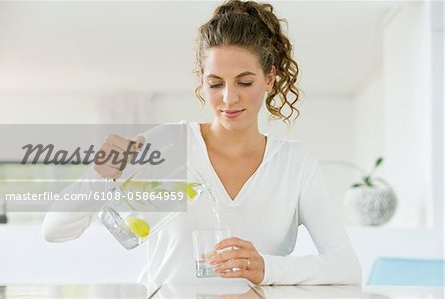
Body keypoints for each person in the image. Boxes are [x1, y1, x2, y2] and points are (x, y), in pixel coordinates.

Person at [42, 0, 362, 292]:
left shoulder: (295, 163)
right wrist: (100, 173)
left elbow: (346, 265)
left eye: (245, 82)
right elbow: (55, 230)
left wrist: (267, 267)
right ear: (202, 81)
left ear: (269, 78)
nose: (228, 98)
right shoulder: (167, 145)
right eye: (215, 83)